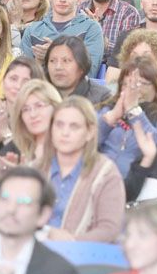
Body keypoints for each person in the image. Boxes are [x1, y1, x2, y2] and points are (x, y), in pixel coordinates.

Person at [36, 95, 125, 242]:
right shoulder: (36, 168)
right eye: (59, 125)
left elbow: (109, 230)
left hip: (81, 258)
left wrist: (72, 241)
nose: (65, 133)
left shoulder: (106, 173)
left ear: (89, 132)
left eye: (74, 126)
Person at [21, 0, 104, 77]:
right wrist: (39, 61)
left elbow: (89, 73)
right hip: (38, 91)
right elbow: (23, 75)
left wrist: (54, 54)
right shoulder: (33, 30)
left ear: (79, 0)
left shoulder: (91, 28)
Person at [98, 57, 157, 178]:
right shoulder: (108, 109)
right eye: (127, 84)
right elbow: (83, 144)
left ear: (156, 87)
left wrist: (134, 112)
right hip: (98, 180)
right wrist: (111, 118)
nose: (133, 90)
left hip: (139, 185)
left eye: (141, 84)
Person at [0, 58, 43, 172]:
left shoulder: (39, 122)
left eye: (26, 82)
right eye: (13, 79)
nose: (18, 86)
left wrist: (6, 133)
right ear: (3, 80)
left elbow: (31, 168)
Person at [44, 35, 112, 104]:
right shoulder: (41, 95)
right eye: (52, 61)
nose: (58, 67)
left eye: (66, 61)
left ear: (82, 65)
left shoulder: (102, 99)